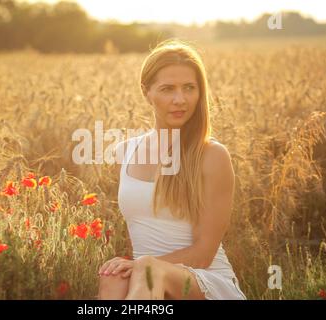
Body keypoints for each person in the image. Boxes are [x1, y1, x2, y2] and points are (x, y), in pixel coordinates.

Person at [97, 39, 246, 300]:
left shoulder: (212, 155)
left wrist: (143, 265)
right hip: (148, 284)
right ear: (146, 92)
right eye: (168, 89)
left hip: (205, 282)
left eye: (189, 88)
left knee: (148, 268)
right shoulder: (126, 151)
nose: (180, 99)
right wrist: (136, 268)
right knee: (113, 278)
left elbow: (203, 254)